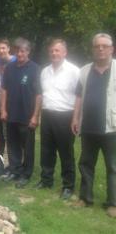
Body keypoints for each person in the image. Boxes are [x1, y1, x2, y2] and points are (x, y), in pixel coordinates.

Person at [71, 33, 116, 218]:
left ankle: (113, 203)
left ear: (112, 49)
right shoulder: (84, 70)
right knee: (86, 164)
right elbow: (79, 96)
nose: (100, 49)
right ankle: (85, 198)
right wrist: (75, 118)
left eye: (105, 46)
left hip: (112, 127)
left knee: (113, 166)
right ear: (92, 49)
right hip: (88, 126)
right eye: (97, 46)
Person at [37, 39, 79, 200]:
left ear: (64, 52)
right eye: (52, 51)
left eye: (57, 50)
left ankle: (68, 186)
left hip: (65, 115)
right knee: (46, 150)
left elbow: (79, 97)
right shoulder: (44, 71)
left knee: (66, 152)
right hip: (47, 114)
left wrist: (76, 118)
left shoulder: (74, 71)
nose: (54, 53)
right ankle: (46, 180)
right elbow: (43, 95)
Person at [0, 38, 41, 188]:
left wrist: (35, 115)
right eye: (18, 50)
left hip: (27, 115)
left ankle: (26, 173)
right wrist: (3, 109)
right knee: (12, 144)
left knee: (27, 146)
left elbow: (38, 94)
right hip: (11, 113)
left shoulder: (35, 68)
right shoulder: (9, 68)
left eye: (23, 50)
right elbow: (4, 89)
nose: (20, 53)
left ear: (28, 52)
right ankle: (15, 169)